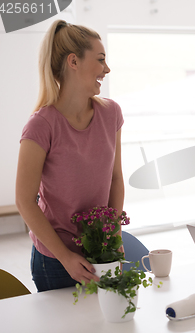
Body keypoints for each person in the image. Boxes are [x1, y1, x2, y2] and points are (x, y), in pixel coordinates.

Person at [15, 20, 125, 292]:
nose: (107, 69)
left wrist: (114, 237)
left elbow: (115, 179)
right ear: (73, 61)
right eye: (100, 60)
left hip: (101, 250)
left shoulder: (111, 114)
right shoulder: (41, 125)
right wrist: (65, 258)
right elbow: (25, 201)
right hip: (55, 258)